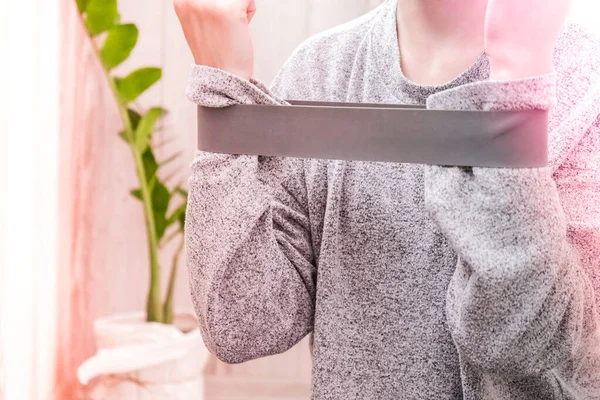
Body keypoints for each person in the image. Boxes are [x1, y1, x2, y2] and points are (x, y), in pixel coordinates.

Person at [174, 0, 600, 398]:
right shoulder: (319, 69)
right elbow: (244, 325)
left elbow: (528, 346)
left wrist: (517, 82)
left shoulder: (585, 77)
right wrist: (221, 86)